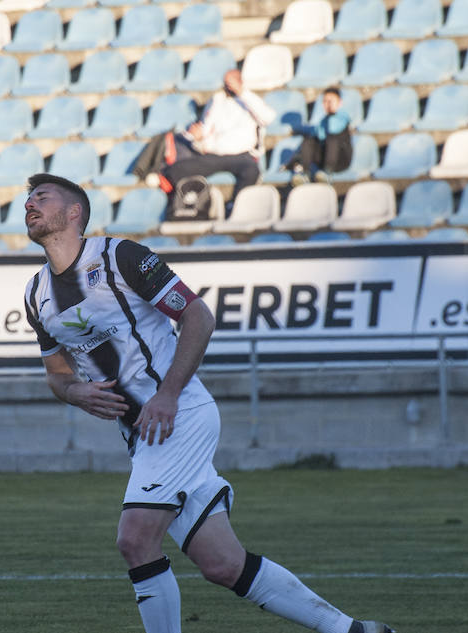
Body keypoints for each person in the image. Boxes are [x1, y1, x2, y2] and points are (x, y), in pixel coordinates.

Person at [20, 172, 395, 633]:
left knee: (135, 539)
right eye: (27, 199)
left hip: (181, 417)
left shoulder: (120, 256)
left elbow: (198, 314)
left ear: (74, 212)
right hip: (145, 438)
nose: (30, 204)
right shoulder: (36, 293)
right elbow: (56, 375)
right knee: (223, 564)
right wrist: (75, 392)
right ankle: (353, 630)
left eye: (42, 196)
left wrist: (168, 394)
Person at [161, 69, 275, 202]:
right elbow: (207, 129)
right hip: (214, 155)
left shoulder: (250, 101)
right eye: (227, 82)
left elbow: (268, 117)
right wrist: (197, 138)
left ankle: (235, 207)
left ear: (240, 82)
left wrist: (241, 92)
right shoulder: (217, 100)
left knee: (251, 172)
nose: (229, 86)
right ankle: (190, 209)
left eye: (232, 82)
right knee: (176, 170)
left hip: (242, 156)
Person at [286, 86, 353, 185]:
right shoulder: (323, 120)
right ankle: (305, 173)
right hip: (324, 158)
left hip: (340, 160)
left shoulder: (343, 117)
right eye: (325, 101)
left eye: (331, 101)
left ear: (339, 103)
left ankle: (327, 173)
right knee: (309, 140)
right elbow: (316, 134)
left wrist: (331, 114)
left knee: (332, 139)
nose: (328, 104)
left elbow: (333, 128)